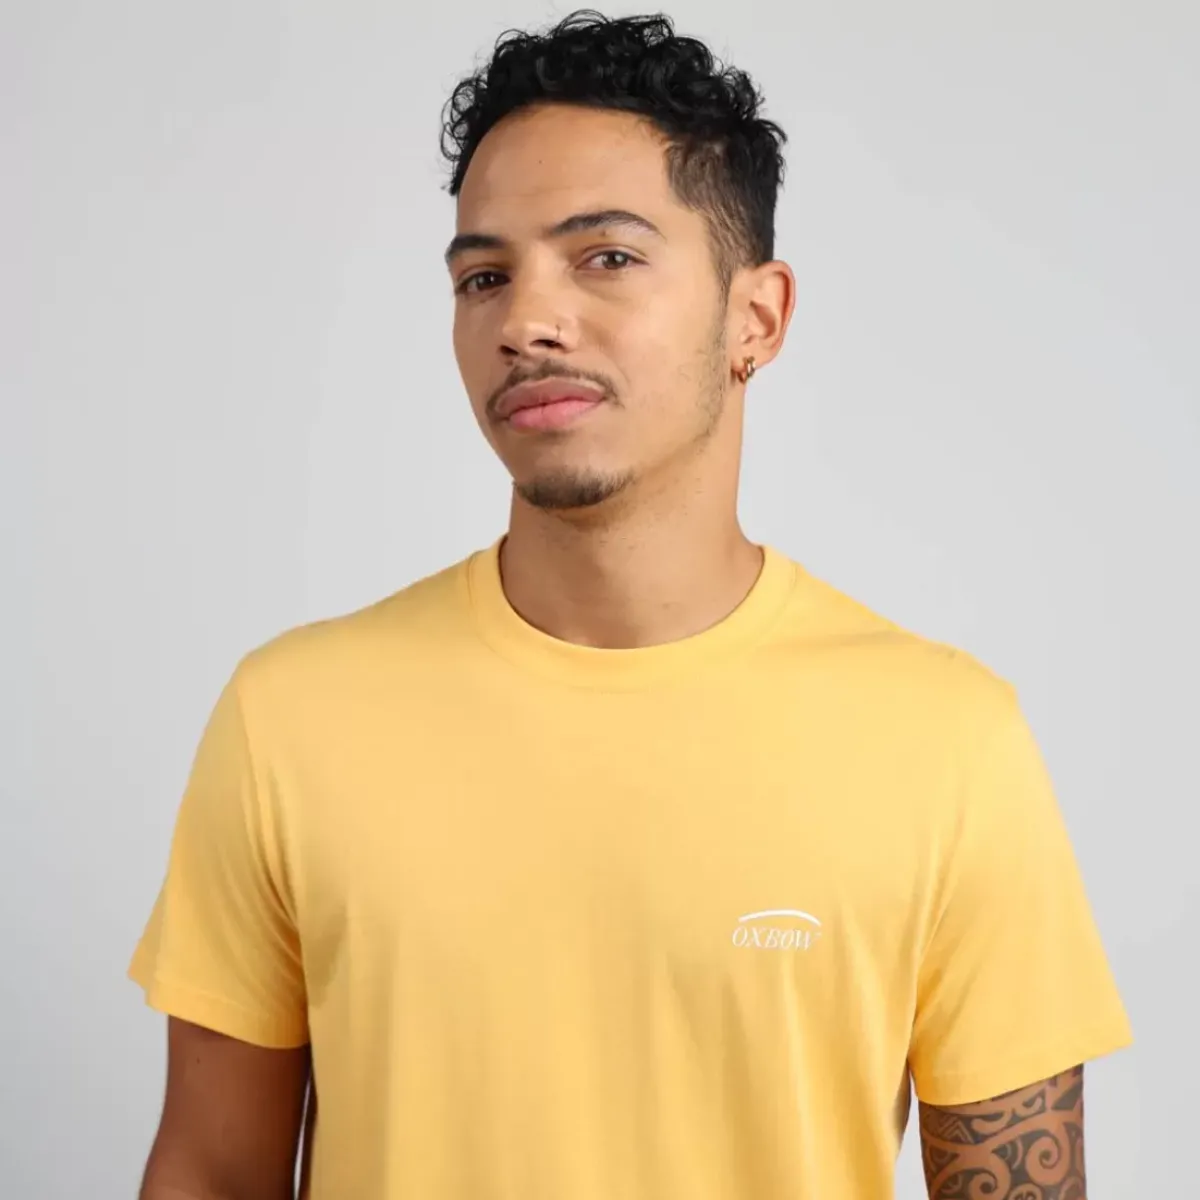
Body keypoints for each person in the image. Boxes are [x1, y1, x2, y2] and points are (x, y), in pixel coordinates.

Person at [130, 11, 1132, 1200]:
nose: (526, 321)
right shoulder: (292, 719)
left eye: (604, 257)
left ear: (757, 317)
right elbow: (211, 1171)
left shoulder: (947, 741)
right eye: (485, 277)